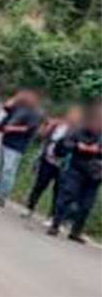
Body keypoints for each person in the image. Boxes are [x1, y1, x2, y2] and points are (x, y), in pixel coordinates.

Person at [48, 103, 102, 243]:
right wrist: (79, 146)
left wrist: (97, 151)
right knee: (67, 195)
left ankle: (76, 231)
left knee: (86, 205)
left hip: (95, 174)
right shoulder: (80, 129)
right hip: (76, 169)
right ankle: (55, 224)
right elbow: (65, 143)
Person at [24, 105, 83, 217]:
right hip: (48, 159)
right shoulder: (58, 124)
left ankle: (52, 215)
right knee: (40, 184)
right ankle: (30, 207)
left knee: (58, 191)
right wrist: (49, 126)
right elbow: (42, 136)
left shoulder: (78, 131)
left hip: (63, 164)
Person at [0, 89, 44, 207]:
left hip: (17, 145)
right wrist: (16, 98)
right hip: (6, 140)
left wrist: (12, 128)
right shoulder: (19, 106)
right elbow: (6, 107)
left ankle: (2, 196)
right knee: (0, 169)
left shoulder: (36, 113)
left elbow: (29, 129)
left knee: (8, 171)